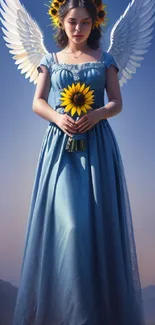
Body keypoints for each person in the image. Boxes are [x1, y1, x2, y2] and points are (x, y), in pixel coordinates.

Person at [12, 0, 145, 324]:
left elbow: (116, 102)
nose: (78, 28)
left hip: (97, 146)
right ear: (61, 21)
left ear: (94, 23)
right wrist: (58, 117)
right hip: (60, 150)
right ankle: (67, 314)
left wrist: (98, 113)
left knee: (95, 226)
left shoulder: (106, 59)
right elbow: (38, 102)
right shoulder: (50, 60)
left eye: (85, 22)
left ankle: (93, 314)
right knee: (69, 225)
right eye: (72, 21)